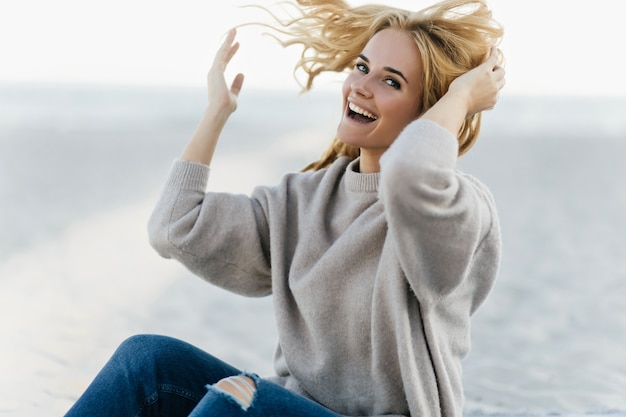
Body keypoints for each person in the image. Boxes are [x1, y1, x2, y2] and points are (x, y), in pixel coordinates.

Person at [64, 0, 505, 415]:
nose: (360, 88)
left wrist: (461, 98)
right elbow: (173, 227)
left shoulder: (457, 210)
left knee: (236, 402)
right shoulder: (302, 199)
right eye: (362, 68)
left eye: (391, 82)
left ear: (428, 112)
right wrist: (216, 113)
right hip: (286, 406)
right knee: (147, 360)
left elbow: (410, 174)